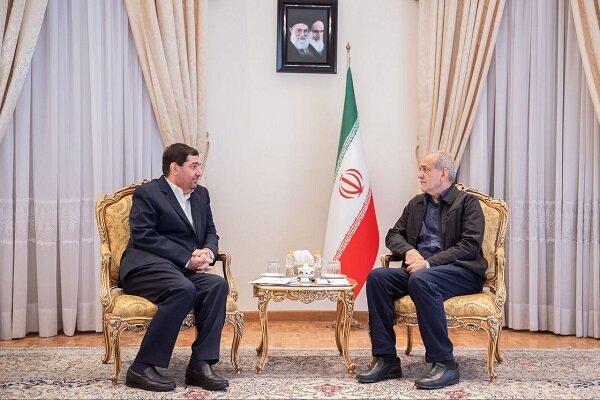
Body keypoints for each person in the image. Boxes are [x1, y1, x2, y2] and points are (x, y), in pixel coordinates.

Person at [356, 151, 486, 390]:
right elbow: (394, 235)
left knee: (421, 279)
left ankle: (445, 363)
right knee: (377, 278)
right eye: (420, 169)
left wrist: (429, 263)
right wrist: (409, 252)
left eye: (426, 169)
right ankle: (386, 359)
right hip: (421, 272)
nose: (420, 174)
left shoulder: (467, 203)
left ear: (443, 174)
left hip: (461, 272)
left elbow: (469, 246)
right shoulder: (416, 204)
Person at [119, 143, 229, 392]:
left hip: (181, 270)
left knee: (216, 285)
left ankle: (200, 365)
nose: (199, 172)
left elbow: (210, 231)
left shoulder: (201, 195)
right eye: (194, 166)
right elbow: (144, 235)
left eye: (199, 166)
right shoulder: (148, 193)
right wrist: (187, 257)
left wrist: (207, 252)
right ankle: (141, 367)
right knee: (183, 289)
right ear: (174, 168)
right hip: (146, 267)